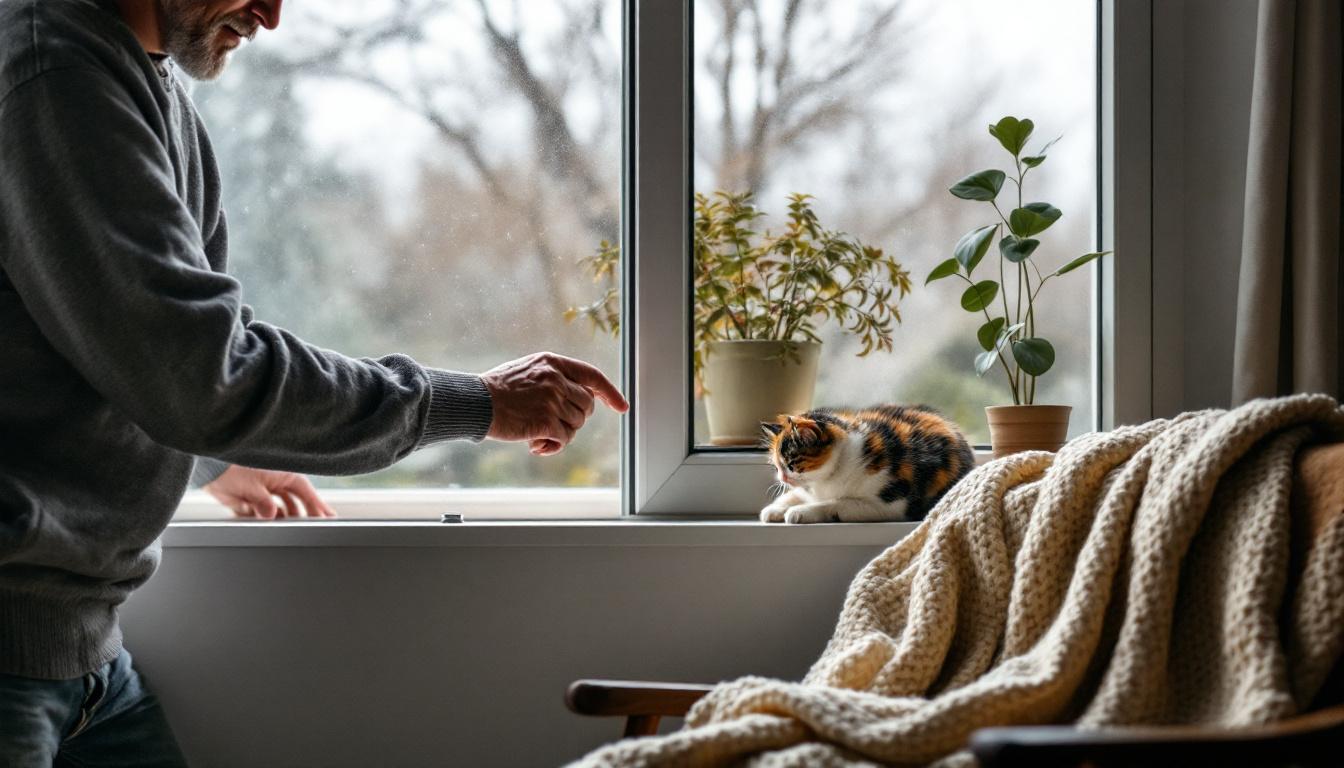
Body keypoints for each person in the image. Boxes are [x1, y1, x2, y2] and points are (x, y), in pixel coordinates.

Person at [0, 0, 629, 764]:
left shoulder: (140, 80)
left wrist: (211, 455)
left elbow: (109, 337)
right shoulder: (53, 74)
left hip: (80, 657)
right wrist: (479, 402)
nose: (269, 14)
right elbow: (200, 375)